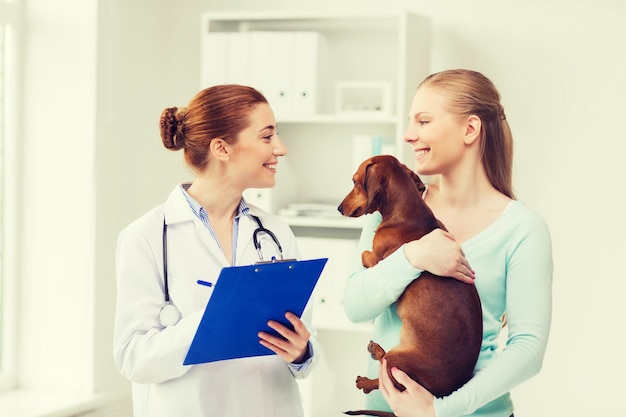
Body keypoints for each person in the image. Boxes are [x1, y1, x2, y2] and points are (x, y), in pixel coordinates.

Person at [343, 69, 552, 417]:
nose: (409, 135)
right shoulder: (392, 211)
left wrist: (441, 410)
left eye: (423, 121)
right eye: (411, 122)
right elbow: (354, 306)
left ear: (470, 129)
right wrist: (413, 256)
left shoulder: (523, 228)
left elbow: (528, 349)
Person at [113, 84, 318, 417]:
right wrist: (214, 320)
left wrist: (301, 352)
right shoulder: (145, 237)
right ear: (222, 148)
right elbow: (133, 358)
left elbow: (306, 347)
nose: (280, 148)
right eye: (266, 137)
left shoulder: (276, 233)